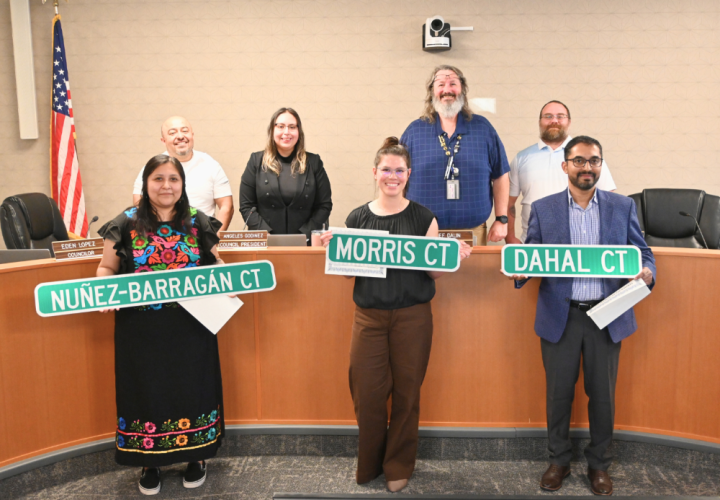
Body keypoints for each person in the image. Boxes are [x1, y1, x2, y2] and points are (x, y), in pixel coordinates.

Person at [321, 137, 472, 492]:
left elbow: (433, 273)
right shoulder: (357, 217)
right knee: (367, 394)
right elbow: (348, 273)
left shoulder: (423, 217)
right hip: (369, 319)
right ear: (375, 173)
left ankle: (399, 465)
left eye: (399, 170)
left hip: (413, 317)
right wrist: (334, 249)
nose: (393, 176)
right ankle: (370, 462)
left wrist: (451, 256)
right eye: (386, 170)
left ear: (408, 175)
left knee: (407, 393)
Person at [510, 136, 655, 496]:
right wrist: (520, 271)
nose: (587, 167)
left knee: (602, 396)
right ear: (565, 166)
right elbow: (532, 256)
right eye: (579, 161)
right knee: (558, 395)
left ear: (601, 166)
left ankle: (599, 466)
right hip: (562, 315)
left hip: (607, 316)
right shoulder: (544, 209)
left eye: (594, 161)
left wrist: (648, 272)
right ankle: (558, 460)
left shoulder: (622, 207)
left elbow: (644, 253)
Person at [99, 154, 225, 495]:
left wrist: (220, 280)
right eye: (158, 179)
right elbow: (106, 269)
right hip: (140, 334)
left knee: (193, 389)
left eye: (173, 179)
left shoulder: (199, 222)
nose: (166, 186)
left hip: (192, 330)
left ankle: (196, 457)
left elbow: (216, 265)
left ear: (183, 185)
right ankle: (148, 462)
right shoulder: (124, 223)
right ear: (146, 183)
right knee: (144, 390)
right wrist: (105, 293)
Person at [400, 65, 510, 246]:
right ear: (432, 92)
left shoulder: (483, 128)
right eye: (441, 84)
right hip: (422, 232)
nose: (447, 90)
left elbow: (501, 174)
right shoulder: (414, 132)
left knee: (473, 276)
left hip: (473, 232)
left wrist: (502, 219)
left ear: (462, 90)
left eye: (453, 83)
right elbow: (399, 178)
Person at [506, 101, 617, 243]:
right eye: (548, 116)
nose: (554, 121)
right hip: (533, 244)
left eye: (560, 116)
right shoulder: (522, 158)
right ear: (540, 122)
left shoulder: (588, 156)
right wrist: (509, 237)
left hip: (580, 242)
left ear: (569, 122)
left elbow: (609, 200)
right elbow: (508, 203)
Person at [240, 107, 332, 243]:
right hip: (265, 243)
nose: (286, 132)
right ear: (272, 131)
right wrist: (267, 236)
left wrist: (304, 236)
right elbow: (246, 206)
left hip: (305, 243)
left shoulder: (314, 163)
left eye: (292, 127)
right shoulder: (256, 161)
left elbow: (324, 205)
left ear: (299, 132)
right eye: (281, 126)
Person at [132, 116, 234, 231]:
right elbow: (139, 204)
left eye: (185, 131)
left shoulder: (211, 164)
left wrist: (214, 239)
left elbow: (226, 206)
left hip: (203, 237)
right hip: (162, 236)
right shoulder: (152, 167)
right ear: (163, 140)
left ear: (192, 135)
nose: (180, 136)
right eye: (172, 133)